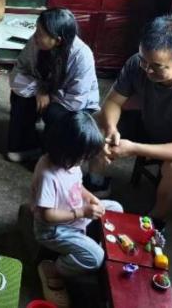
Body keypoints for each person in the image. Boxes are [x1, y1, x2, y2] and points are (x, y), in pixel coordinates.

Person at [94, 16, 172, 226]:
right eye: (144, 61)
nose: (147, 70)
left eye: (157, 66)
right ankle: (96, 182)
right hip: (151, 123)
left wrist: (134, 148)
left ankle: (153, 222)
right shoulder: (138, 63)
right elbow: (113, 102)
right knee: (96, 125)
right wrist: (111, 130)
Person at [31, 111, 122, 305]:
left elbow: (77, 186)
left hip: (75, 213)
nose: (83, 162)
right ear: (67, 149)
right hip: (54, 229)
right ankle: (53, 270)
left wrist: (90, 198)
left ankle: (89, 241)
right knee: (96, 258)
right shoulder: (48, 174)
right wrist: (82, 212)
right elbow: (47, 215)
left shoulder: (69, 161)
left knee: (115, 208)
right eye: (82, 157)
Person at [7, 8, 99, 162]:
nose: (35, 36)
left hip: (72, 102)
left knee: (55, 114)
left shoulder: (82, 56)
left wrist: (50, 98)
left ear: (58, 40)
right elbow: (17, 72)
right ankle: (24, 146)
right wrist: (40, 89)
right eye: (36, 30)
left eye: (40, 33)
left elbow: (76, 100)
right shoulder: (35, 41)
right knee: (20, 98)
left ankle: (50, 154)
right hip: (44, 89)